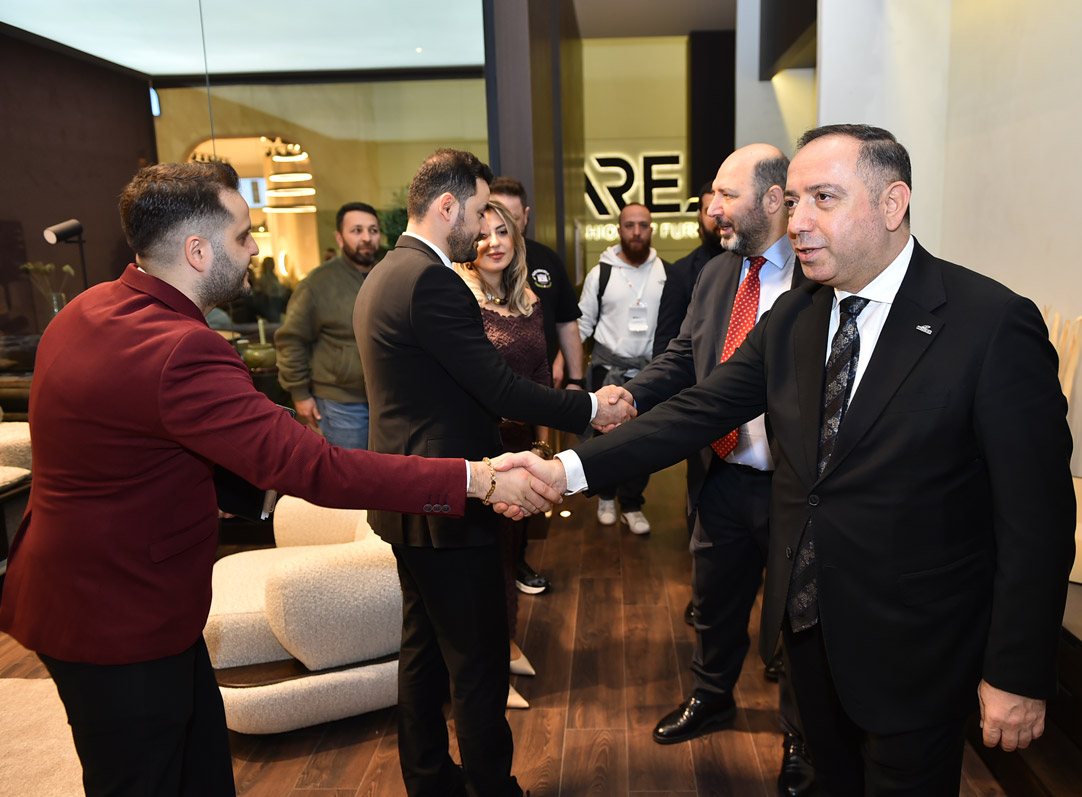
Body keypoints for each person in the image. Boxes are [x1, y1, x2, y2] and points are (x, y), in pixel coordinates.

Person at [505, 124, 1077, 796]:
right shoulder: (795, 318)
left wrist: (1016, 671)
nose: (797, 220)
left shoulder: (990, 324)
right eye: (796, 199)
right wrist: (566, 471)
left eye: (823, 199)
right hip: (809, 636)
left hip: (917, 653)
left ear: (892, 204)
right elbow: (696, 411)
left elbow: (1036, 519)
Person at [0, 161, 558, 797]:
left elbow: (137, 449)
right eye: (243, 236)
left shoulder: (85, 309)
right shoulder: (182, 350)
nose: (255, 249)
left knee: (201, 771)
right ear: (197, 251)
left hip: (82, 595)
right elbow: (317, 467)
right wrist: (476, 481)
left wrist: (258, 480)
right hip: (121, 617)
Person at [352, 148, 634, 797]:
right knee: (478, 660)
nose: (484, 227)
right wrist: (592, 407)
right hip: (449, 499)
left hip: (406, 497)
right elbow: (500, 389)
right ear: (447, 205)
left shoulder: (386, 273)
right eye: (479, 211)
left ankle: (430, 779)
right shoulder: (432, 281)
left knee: (422, 651)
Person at [621, 144, 813, 794]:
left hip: (796, 489)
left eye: (727, 195)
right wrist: (631, 396)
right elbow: (685, 356)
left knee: (800, 617)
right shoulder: (714, 274)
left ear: (772, 198)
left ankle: (801, 737)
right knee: (714, 599)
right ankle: (712, 695)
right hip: (722, 473)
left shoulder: (819, 277)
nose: (713, 210)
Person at [452, 199, 553, 709]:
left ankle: (507, 642)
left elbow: (540, 376)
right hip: (480, 451)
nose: (493, 242)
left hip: (521, 448)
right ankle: (488, 667)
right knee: (485, 563)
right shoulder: (459, 299)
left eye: (502, 231)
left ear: (516, 238)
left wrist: (544, 446)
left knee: (509, 554)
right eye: (483, 233)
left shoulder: (528, 298)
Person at [489, 176, 588, 594]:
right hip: (481, 423)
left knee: (524, 495)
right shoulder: (458, 288)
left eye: (507, 224)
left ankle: (517, 563)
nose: (497, 238)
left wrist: (576, 380)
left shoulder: (537, 277)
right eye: (489, 225)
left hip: (531, 408)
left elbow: (565, 326)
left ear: (524, 218)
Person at [577, 202, 667, 534]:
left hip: (650, 373)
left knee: (643, 442)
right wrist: (565, 367)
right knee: (604, 439)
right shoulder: (600, 274)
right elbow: (582, 325)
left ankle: (631, 504)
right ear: (619, 230)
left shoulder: (666, 273)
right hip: (608, 371)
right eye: (630, 225)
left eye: (643, 225)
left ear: (651, 229)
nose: (636, 232)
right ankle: (605, 496)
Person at [274, 202, 381, 449]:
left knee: (386, 469)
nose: (366, 238)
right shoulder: (317, 284)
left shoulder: (388, 274)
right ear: (339, 238)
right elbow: (291, 340)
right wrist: (300, 394)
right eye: (357, 230)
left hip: (386, 401)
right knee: (351, 471)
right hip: (341, 404)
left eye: (373, 230)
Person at [653, 180, 724, 357]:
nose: (717, 215)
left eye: (723, 208)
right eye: (709, 210)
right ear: (699, 216)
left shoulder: (755, 263)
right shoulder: (681, 272)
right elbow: (666, 343)